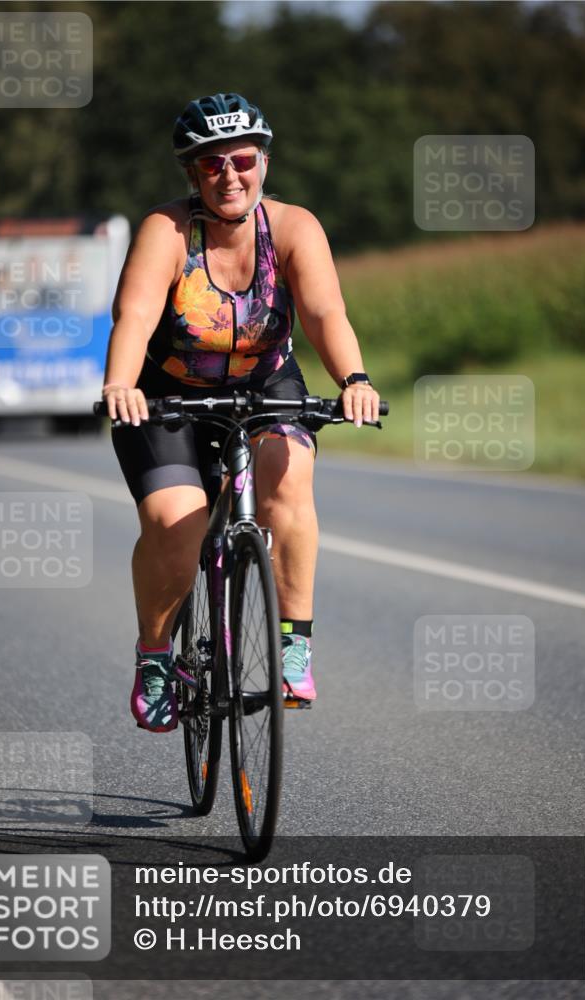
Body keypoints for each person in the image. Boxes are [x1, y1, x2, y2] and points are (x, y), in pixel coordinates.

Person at [103, 93, 380, 732]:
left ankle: (293, 644)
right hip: (167, 389)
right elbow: (137, 315)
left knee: (289, 480)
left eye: (243, 160)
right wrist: (120, 383)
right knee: (177, 520)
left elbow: (323, 313)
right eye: (211, 165)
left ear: (263, 161)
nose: (230, 175)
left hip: (265, 380)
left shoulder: (293, 227)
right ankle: (154, 657)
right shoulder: (167, 230)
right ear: (191, 174)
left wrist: (355, 379)